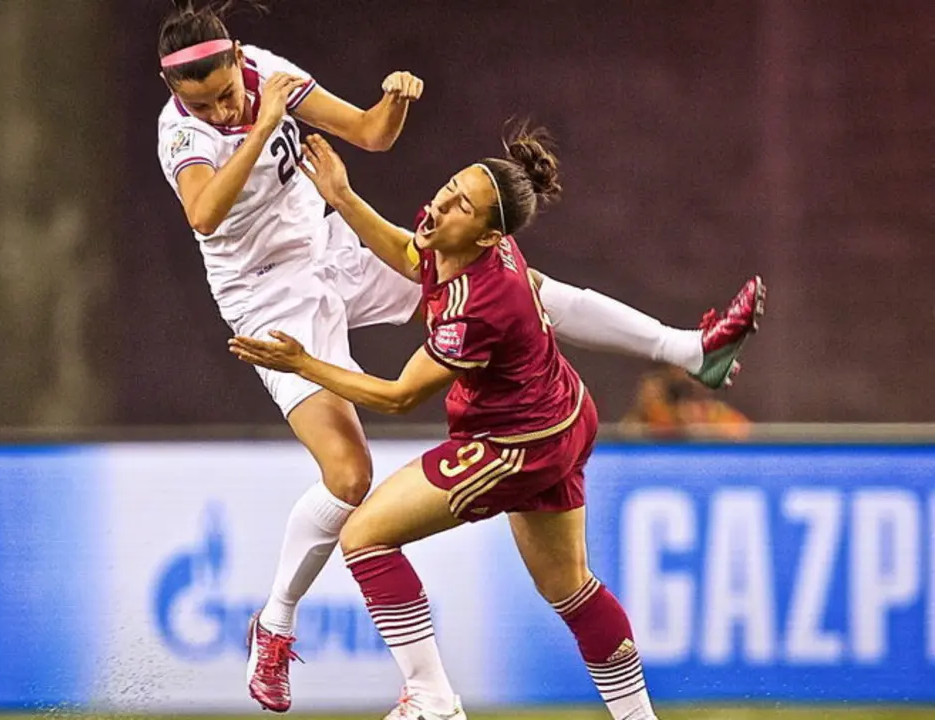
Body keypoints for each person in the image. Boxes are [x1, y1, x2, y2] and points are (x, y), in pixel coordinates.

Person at [156, 1, 758, 710]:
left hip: (370, 299)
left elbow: (371, 141)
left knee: (370, 533)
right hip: (270, 295)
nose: (223, 107)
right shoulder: (184, 134)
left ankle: (430, 698)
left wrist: (389, 106)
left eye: (227, 89)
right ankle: (277, 624)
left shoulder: (273, 79)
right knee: (353, 478)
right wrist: (291, 133)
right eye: (204, 101)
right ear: (177, 95)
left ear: (237, 60)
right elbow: (203, 214)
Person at [622, 363, 751, 439]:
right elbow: (627, 433)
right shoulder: (659, 415)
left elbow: (746, 436)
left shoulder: (719, 414)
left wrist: (709, 434)